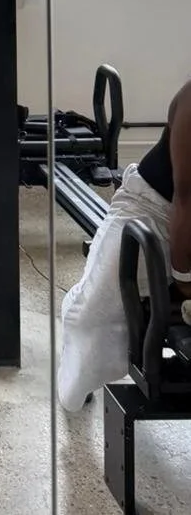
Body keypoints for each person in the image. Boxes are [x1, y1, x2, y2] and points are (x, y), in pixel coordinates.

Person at [58, 78, 191, 411]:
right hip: (153, 209)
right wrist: (185, 283)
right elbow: (185, 201)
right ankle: (77, 303)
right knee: (90, 323)